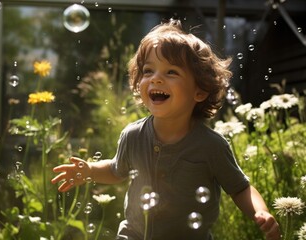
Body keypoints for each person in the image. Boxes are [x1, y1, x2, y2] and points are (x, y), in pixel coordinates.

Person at [51, 19, 280, 240]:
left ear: (199, 91)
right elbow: (115, 170)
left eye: (171, 72)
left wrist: (260, 212)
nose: (156, 79)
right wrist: (89, 170)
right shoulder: (133, 135)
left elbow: (240, 188)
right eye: (148, 71)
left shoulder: (211, 146)